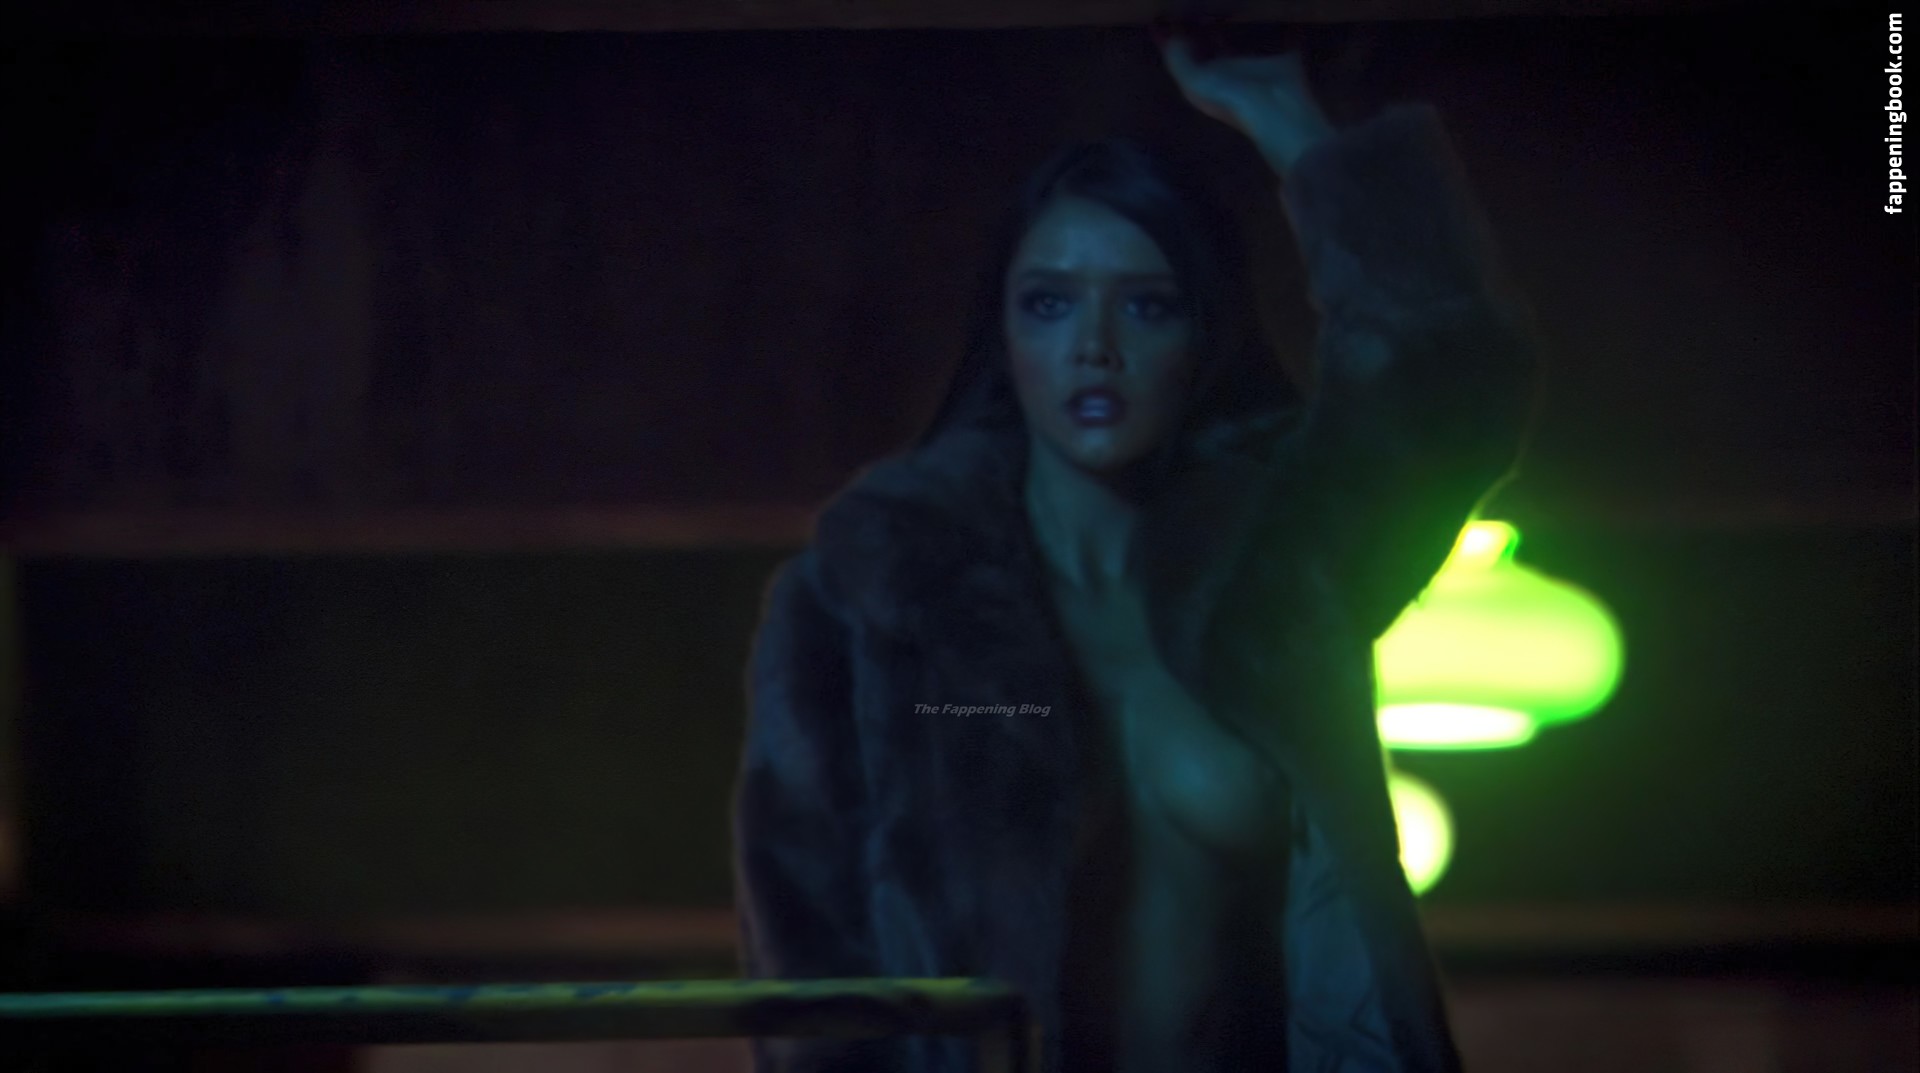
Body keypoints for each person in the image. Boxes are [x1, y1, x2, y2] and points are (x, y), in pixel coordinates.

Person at [731, 31, 1541, 1073]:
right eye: (1050, 302)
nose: (1094, 347)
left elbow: (1452, 384)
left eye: (1147, 303)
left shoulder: (1281, 567)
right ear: (1004, 335)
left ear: (1205, 336)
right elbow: (809, 964)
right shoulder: (877, 602)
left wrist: (1284, 115)